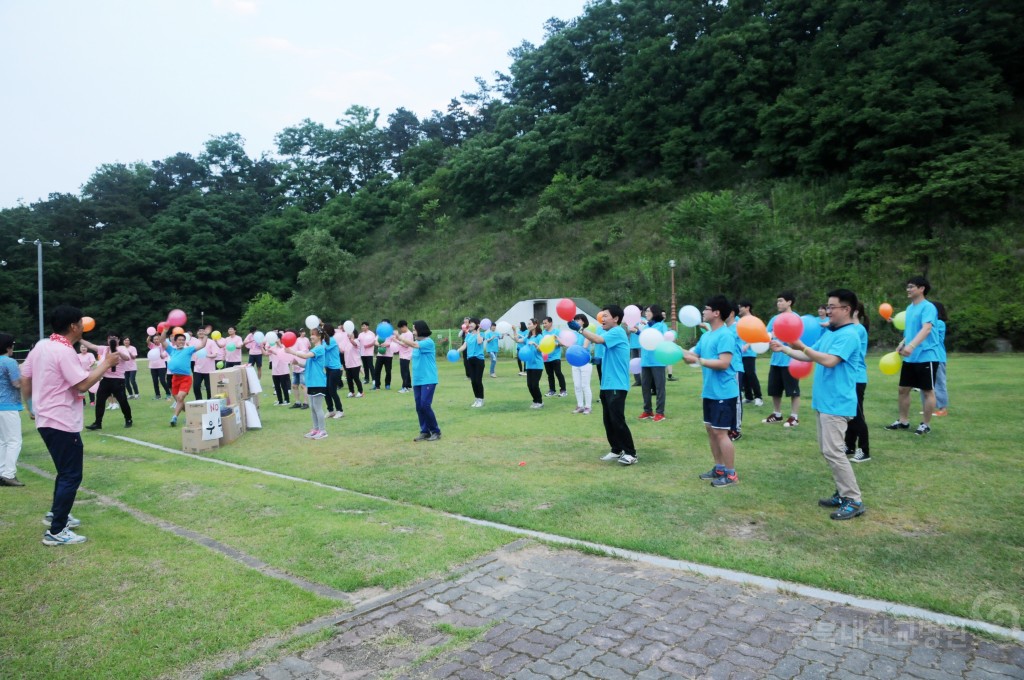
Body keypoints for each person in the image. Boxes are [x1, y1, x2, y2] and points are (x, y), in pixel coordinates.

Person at [20, 305, 120, 544]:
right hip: (61, 420)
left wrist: (31, 406)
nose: (84, 326)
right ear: (74, 326)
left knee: (64, 472)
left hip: (47, 418)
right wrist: (106, 364)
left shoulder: (42, 345)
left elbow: (26, 376)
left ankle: (57, 514)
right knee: (71, 475)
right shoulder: (63, 352)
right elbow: (82, 385)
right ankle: (56, 531)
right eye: (81, 323)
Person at [771, 289, 866, 520]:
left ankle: (853, 500)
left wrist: (801, 346)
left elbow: (830, 361)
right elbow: (810, 356)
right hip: (825, 402)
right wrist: (785, 348)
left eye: (832, 307)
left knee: (834, 452)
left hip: (837, 403)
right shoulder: (832, 333)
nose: (827, 310)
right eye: (828, 306)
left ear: (847, 309)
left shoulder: (850, 335)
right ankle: (842, 492)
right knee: (828, 451)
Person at [683, 296, 740, 487]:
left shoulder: (725, 335)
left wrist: (699, 361)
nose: (703, 312)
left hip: (724, 392)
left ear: (716, 313)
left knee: (721, 432)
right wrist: (680, 352)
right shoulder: (706, 335)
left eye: (706, 309)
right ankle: (719, 468)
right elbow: (694, 356)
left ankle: (731, 474)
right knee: (711, 430)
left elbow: (724, 363)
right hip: (709, 391)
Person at [576, 305, 637, 465]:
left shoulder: (617, 331)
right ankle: (616, 449)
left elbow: (597, 339)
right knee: (608, 420)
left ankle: (631, 453)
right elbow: (610, 354)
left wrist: (580, 329)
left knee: (617, 419)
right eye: (602, 315)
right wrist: (595, 360)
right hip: (607, 385)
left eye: (606, 316)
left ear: (616, 318)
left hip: (617, 384)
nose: (602, 318)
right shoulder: (610, 333)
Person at [886, 275, 940, 435]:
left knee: (927, 390)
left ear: (922, 288)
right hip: (911, 356)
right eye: (908, 287)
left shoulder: (928, 307)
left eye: (911, 287)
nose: (908, 290)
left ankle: (926, 424)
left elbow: (926, 328)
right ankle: (903, 421)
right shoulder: (910, 308)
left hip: (927, 355)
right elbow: (912, 330)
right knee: (903, 389)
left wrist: (912, 345)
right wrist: (903, 343)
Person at [392, 321, 441, 441]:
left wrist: (400, 338)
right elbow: (411, 345)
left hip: (428, 379)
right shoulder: (417, 342)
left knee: (425, 404)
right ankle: (425, 431)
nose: (413, 332)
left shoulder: (428, 342)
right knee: (419, 406)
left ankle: (435, 431)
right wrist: (397, 340)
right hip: (418, 380)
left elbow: (414, 345)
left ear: (420, 329)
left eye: (414, 330)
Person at [763, 291, 802, 427]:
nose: (778, 303)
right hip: (776, 360)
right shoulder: (775, 319)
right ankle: (777, 414)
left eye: (781, 300)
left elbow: (800, 341)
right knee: (775, 390)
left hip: (791, 361)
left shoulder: (796, 318)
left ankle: (794, 417)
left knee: (793, 391)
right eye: (778, 301)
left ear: (789, 302)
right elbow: (766, 335)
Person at [82, 332, 133, 431]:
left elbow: (127, 358)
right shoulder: (104, 349)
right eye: (110, 338)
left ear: (118, 340)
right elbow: (91, 346)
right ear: (107, 340)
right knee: (100, 401)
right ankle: (98, 423)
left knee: (123, 401)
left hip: (118, 380)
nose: (112, 340)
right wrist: (79, 339)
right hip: (105, 380)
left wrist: (117, 352)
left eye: (115, 338)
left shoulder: (122, 348)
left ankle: (128, 419)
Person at [286, 327, 329, 439]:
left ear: (319, 336)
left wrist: (292, 352)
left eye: (313, 335)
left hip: (318, 382)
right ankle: (315, 429)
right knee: (313, 408)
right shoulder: (314, 349)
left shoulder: (319, 349)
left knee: (318, 408)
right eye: (311, 334)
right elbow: (307, 364)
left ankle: (323, 430)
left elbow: (305, 356)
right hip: (311, 382)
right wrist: (298, 364)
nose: (311, 337)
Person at [844, 302, 871, 463]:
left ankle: (864, 450)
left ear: (855, 312)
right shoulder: (851, 329)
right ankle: (849, 445)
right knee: (850, 413)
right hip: (849, 377)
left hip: (857, 378)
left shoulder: (857, 329)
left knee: (857, 415)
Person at [0, 333, 26, 487]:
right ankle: (9, 474)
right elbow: (16, 383)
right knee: (15, 441)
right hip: (8, 406)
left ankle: (2, 472)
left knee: (2, 441)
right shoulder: (9, 362)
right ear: (8, 347)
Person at [638, 305, 668, 422]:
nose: (646, 313)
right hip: (645, 361)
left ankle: (660, 413)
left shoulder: (661, 326)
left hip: (658, 361)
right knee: (645, 387)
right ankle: (648, 410)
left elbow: (664, 339)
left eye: (648, 311)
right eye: (646, 311)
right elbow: (644, 338)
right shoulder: (646, 326)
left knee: (660, 387)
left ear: (655, 313)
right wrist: (637, 332)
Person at [922, 302, 948, 417]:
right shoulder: (928, 323)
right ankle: (929, 408)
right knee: (925, 384)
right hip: (927, 356)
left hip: (938, 357)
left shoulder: (939, 323)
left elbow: (927, 331)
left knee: (939, 384)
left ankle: (942, 409)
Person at [725, 304, 746, 442]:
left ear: (731, 313)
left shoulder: (738, 327)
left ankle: (736, 429)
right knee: (726, 399)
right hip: (725, 368)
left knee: (736, 400)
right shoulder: (725, 329)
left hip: (735, 367)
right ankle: (727, 426)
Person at [737, 300, 764, 407]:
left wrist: (748, 345)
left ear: (747, 307)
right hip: (740, 352)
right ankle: (748, 397)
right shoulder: (738, 320)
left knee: (751, 374)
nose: (739, 309)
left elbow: (757, 334)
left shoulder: (753, 320)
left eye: (741, 307)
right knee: (743, 376)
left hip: (749, 352)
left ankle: (758, 397)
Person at [455, 318, 486, 407]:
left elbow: (480, 341)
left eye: (472, 323)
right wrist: (457, 351)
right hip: (470, 360)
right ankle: (476, 399)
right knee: (473, 381)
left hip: (479, 360)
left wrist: (479, 331)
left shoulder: (482, 334)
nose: (470, 324)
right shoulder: (468, 335)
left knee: (478, 381)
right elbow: (464, 346)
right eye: (470, 323)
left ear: (477, 324)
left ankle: (481, 400)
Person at [516, 319, 545, 408]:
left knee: (535, 384)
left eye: (530, 324)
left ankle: (539, 402)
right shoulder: (528, 337)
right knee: (529, 385)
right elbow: (518, 340)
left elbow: (542, 349)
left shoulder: (540, 336)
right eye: (528, 324)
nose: (528, 326)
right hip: (529, 365)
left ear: (535, 325)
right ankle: (535, 401)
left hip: (537, 364)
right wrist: (513, 331)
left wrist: (535, 345)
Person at [569, 314, 594, 414]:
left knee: (585, 385)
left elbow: (584, 346)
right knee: (577, 385)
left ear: (583, 321)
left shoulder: (587, 333)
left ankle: (588, 406)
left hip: (585, 362)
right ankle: (580, 405)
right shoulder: (574, 334)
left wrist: (575, 350)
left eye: (578, 320)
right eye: (575, 320)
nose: (576, 322)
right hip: (575, 362)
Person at [322, 323, 346, 417]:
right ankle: (331, 410)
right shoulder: (325, 341)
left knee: (332, 390)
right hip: (328, 369)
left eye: (323, 330)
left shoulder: (331, 341)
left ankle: (340, 411)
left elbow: (322, 349)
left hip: (335, 369)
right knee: (326, 390)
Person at [541, 317, 567, 397]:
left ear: (551, 323)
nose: (544, 325)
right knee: (550, 375)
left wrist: (557, 344)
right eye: (543, 323)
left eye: (546, 323)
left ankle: (563, 390)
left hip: (555, 357)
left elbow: (564, 343)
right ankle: (552, 390)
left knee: (558, 373)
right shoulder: (543, 333)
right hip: (546, 357)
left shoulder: (557, 332)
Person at [191, 327, 220, 400]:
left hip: (209, 369)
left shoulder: (211, 342)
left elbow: (215, 354)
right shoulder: (194, 342)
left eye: (203, 331)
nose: (201, 332)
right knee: (196, 386)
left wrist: (207, 355)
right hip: (198, 369)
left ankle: (210, 401)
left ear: (206, 333)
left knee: (209, 387)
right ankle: (199, 401)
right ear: (197, 333)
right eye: (199, 331)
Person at [146, 335, 171, 399]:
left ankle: (168, 393)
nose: (156, 340)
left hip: (161, 366)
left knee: (162, 380)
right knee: (155, 381)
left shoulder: (162, 345)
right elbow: (147, 341)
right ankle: (157, 395)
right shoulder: (152, 346)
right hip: (152, 366)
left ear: (159, 340)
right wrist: (150, 335)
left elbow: (165, 346)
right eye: (154, 339)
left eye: (157, 339)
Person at [289, 328, 309, 409]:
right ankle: (297, 402)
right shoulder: (291, 342)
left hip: (301, 365)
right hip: (295, 367)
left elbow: (304, 351)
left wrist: (297, 358)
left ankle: (305, 403)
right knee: (294, 385)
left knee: (303, 385)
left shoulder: (300, 340)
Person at [373, 320, 395, 390]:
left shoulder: (392, 334)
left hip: (389, 355)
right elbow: (375, 341)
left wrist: (387, 344)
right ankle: (377, 385)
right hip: (380, 355)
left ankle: (387, 384)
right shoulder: (379, 334)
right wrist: (379, 344)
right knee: (377, 370)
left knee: (388, 371)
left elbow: (394, 343)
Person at [396, 320, 414, 393]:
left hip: (406, 355)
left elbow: (406, 345)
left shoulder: (409, 334)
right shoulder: (403, 334)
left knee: (404, 372)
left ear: (404, 326)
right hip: (402, 355)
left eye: (401, 328)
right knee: (406, 371)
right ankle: (409, 386)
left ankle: (405, 387)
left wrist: (396, 341)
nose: (400, 330)